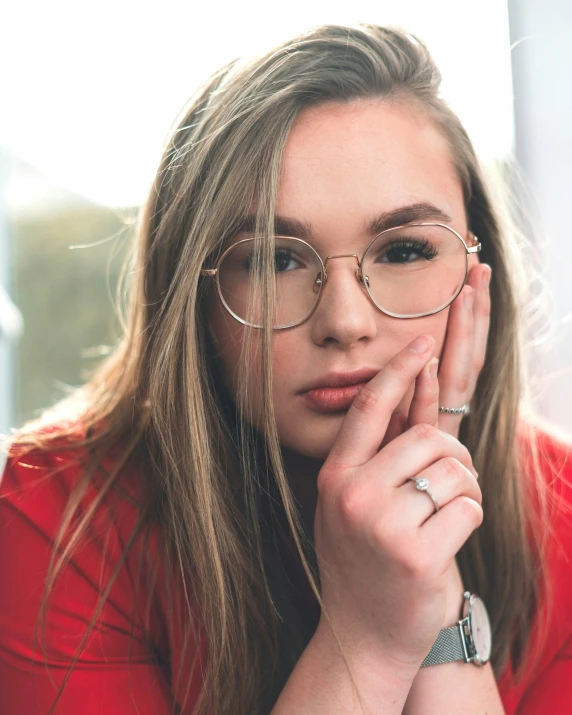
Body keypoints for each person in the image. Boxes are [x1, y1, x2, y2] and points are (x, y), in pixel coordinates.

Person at [1, 21, 571, 715]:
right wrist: (366, 637)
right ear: (196, 297)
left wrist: (431, 572)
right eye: (275, 259)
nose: (345, 322)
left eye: (404, 251)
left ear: (481, 275)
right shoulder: (53, 513)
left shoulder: (562, 507)